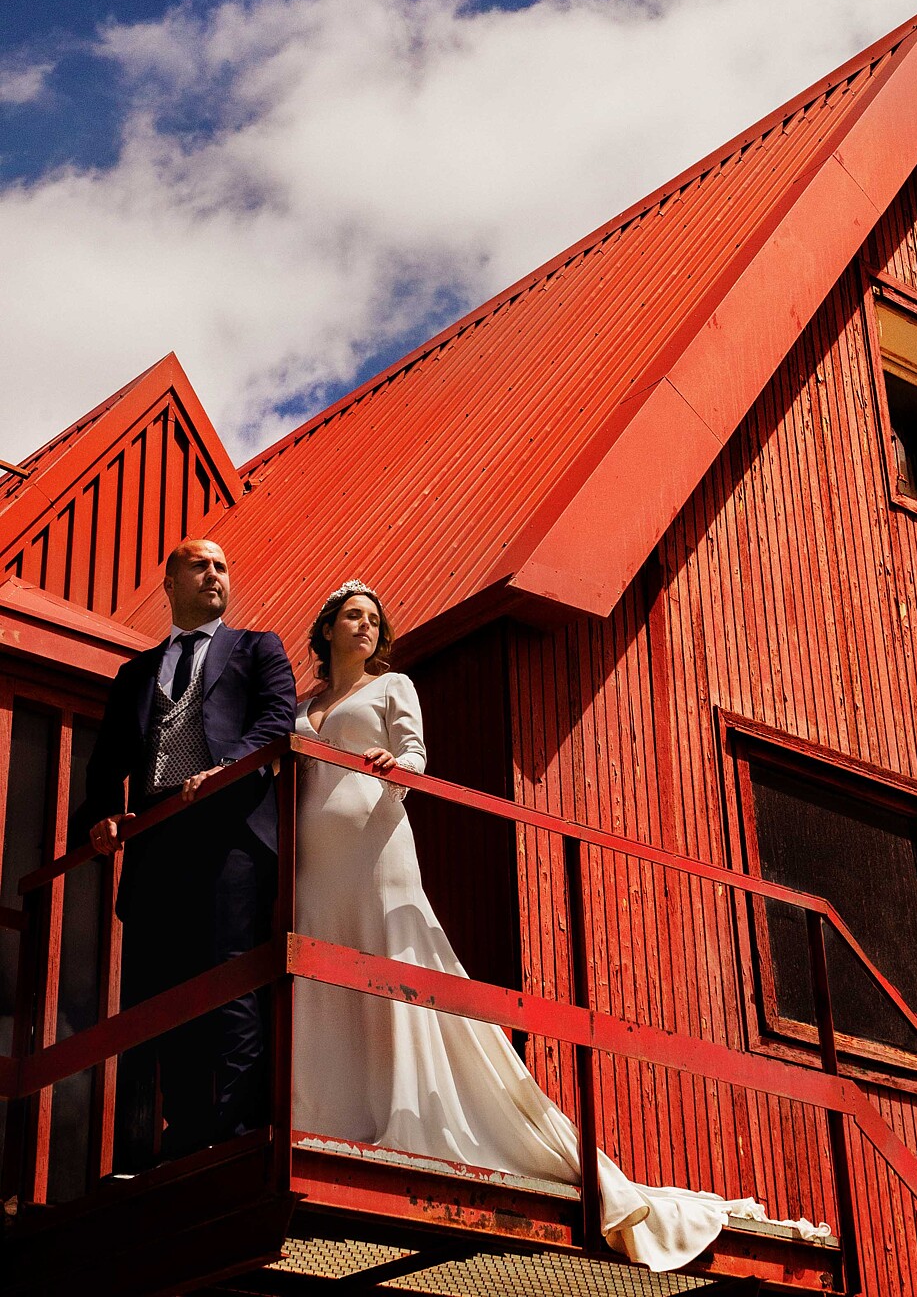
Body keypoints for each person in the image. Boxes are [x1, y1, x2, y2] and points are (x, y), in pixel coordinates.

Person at [293, 580, 814, 1273]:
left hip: (375, 847)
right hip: (314, 861)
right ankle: (329, 1109)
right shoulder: (304, 705)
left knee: (389, 963)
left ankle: (404, 1112)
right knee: (324, 972)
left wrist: (398, 765)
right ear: (328, 628)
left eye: (373, 620)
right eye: (352, 617)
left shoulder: (396, 686)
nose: (365, 627)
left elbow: (417, 756)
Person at [77, 537, 297, 1164]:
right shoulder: (136, 674)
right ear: (169, 582)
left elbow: (277, 719)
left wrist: (225, 767)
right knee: (163, 985)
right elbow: (108, 761)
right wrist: (99, 817)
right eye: (198, 566)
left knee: (231, 976)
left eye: (222, 566)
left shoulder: (258, 648)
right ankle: (184, 1127)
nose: (213, 575)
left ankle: (232, 1131)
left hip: (229, 833)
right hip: (155, 842)